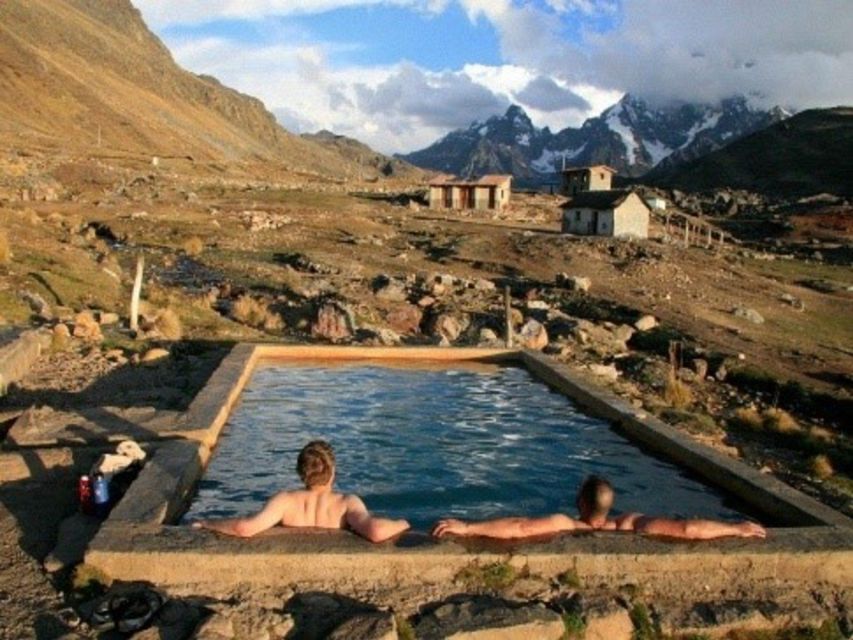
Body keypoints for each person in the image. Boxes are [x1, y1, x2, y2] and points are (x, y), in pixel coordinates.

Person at [193, 440, 410, 543]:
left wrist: (206, 523)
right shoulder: (346, 502)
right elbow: (377, 531)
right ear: (333, 471)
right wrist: (403, 524)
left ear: (300, 472)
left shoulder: (284, 501)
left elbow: (244, 528)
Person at [432, 475, 766, 540]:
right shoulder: (632, 523)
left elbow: (520, 527)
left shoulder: (566, 523)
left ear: (580, 502)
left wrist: (469, 527)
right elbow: (688, 529)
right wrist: (736, 528)